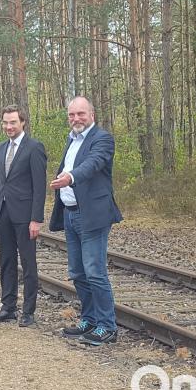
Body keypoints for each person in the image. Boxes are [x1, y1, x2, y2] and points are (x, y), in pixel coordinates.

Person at [48, 96, 123, 346]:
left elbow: (93, 165)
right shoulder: (71, 139)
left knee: (95, 271)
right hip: (70, 213)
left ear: (92, 114)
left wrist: (70, 177)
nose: (76, 119)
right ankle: (89, 320)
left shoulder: (102, 139)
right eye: (72, 115)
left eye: (81, 114)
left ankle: (107, 326)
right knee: (77, 272)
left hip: (93, 215)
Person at [0, 105, 47, 327]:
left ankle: (28, 311)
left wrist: (36, 219)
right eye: (5, 122)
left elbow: (39, 186)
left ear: (22, 122)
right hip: (3, 213)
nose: (9, 126)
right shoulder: (0, 148)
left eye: (13, 122)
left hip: (25, 215)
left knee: (28, 263)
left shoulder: (34, 148)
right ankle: (8, 307)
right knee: (7, 261)